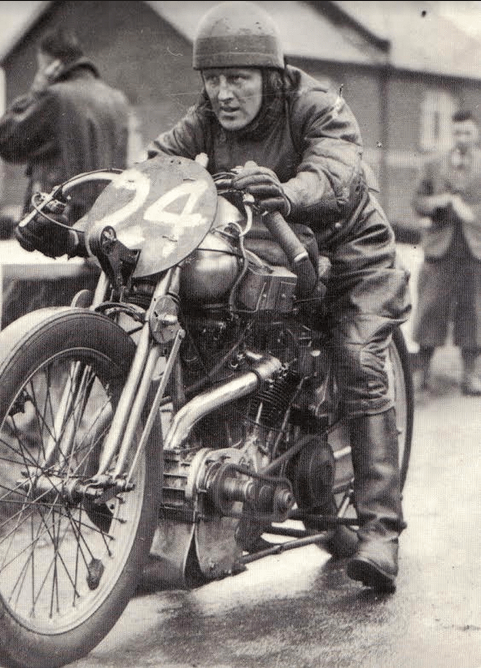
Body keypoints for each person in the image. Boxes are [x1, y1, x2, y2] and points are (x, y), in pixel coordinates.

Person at [147, 1, 411, 592]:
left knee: (359, 358)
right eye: (213, 79)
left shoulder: (317, 106)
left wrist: (288, 193)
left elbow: (335, 175)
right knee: (206, 341)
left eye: (237, 78)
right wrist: (87, 209)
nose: (223, 93)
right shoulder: (205, 118)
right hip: (274, 253)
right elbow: (155, 165)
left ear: (270, 75)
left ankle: (380, 531)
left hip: (349, 256)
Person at [0, 26, 131, 323]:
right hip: (102, 239)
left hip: (56, 232)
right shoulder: (117, 100)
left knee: (22, 326)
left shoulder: (55, 97)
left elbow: (6, 141)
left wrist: (35, 92)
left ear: (51, 63)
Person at [411, 110, 481, 397]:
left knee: (473, 312)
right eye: (457, 132)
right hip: (440, 248)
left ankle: (470, 375)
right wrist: (438, 202)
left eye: (467, 132)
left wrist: (470, 212)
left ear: (476, 134)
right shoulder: (434, 163)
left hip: (474, 249)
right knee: (430, 309)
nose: (462, 138)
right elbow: (417, 200)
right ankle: (422, 374)